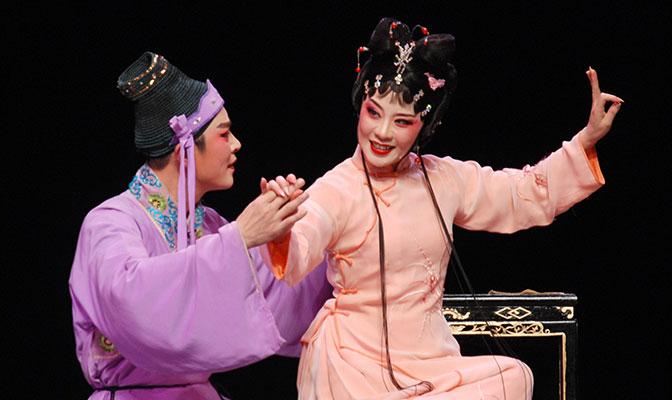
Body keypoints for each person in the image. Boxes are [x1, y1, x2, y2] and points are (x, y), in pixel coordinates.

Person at [258, 18, 622, 399]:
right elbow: (300, 248)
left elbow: (522, 194)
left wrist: (586, 139)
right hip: (354, 361)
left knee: (514, 377)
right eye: (373, 112)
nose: (382, 133)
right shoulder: (336, 188)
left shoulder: (442, 178)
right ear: (359, 106)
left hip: (429, 358)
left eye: (402, 121)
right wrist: (281, 226)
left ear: (425, 126)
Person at [68, 52, 332, 400]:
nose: (237, 144)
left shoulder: (208, 225)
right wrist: (241, 236)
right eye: (224, 134)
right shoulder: (110, 222)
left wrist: (283, 240)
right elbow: (131, 299)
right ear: (185, 149)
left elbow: (277, 302)